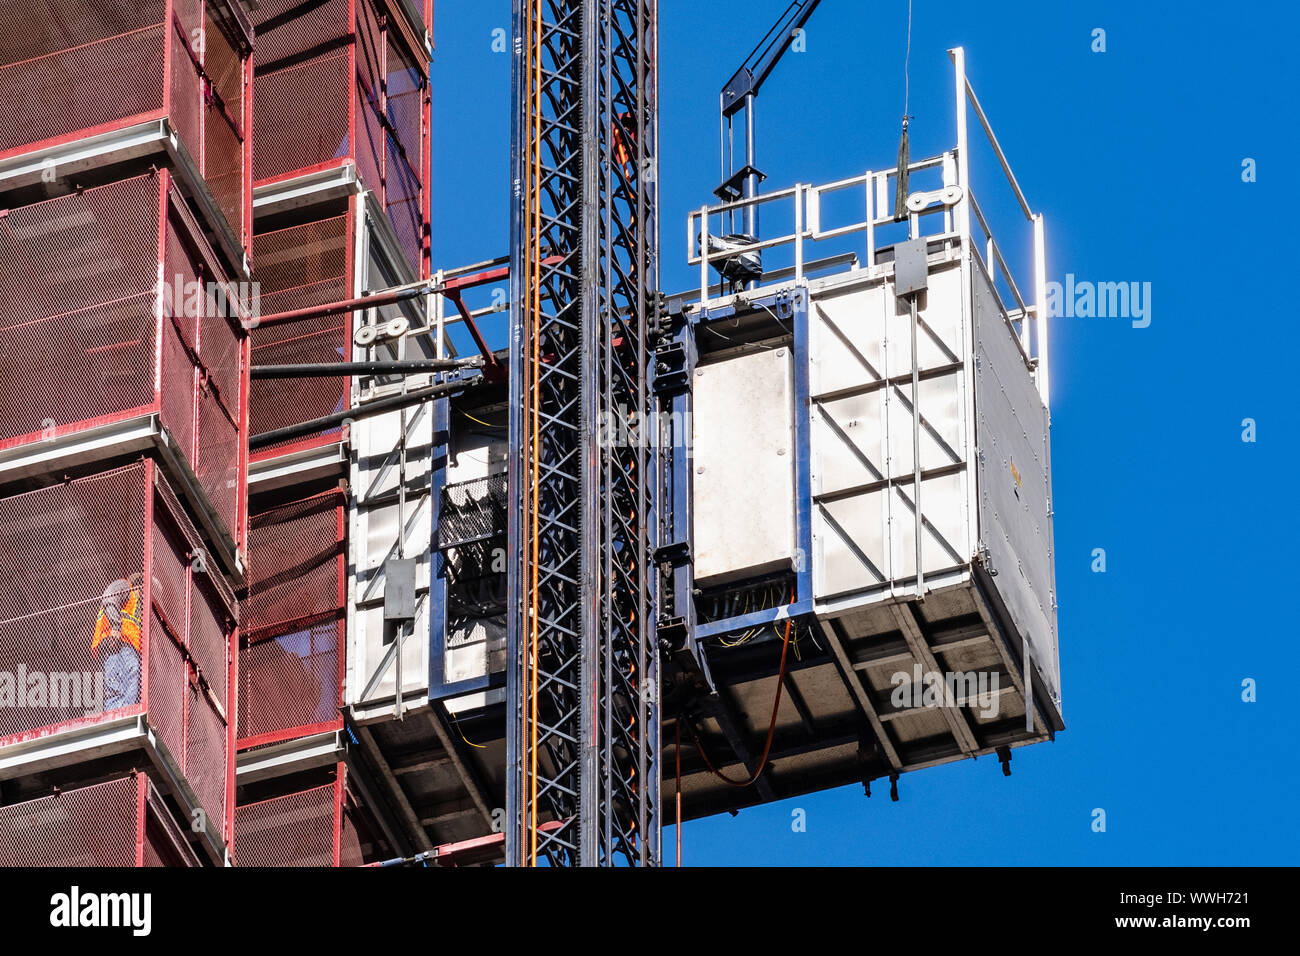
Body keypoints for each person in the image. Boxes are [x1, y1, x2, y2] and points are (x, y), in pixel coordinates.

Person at [91, 573, 143, 711]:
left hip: (127, 645)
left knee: (132, 673)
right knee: (117, 681)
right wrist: (116, 628)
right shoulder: (126, 586)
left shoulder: (138, 607)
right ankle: (115, 712)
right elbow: (109, 596)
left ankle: (125, 710)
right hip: (115, 642)